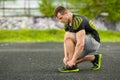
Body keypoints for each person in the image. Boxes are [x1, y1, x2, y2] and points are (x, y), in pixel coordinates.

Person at [54, 6, 102, 73]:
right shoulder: (67, 23)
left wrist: (73, 61)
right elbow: (66, 41)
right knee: (68, 60)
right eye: (58, 19)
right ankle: (94, 58)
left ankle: (72, 66)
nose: (60, 21)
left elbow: (80, 44)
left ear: (66, 13)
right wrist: (66, 56)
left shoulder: (78, 20)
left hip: (93, 42)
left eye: (61, 18)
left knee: (68, 36)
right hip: (85, 42)